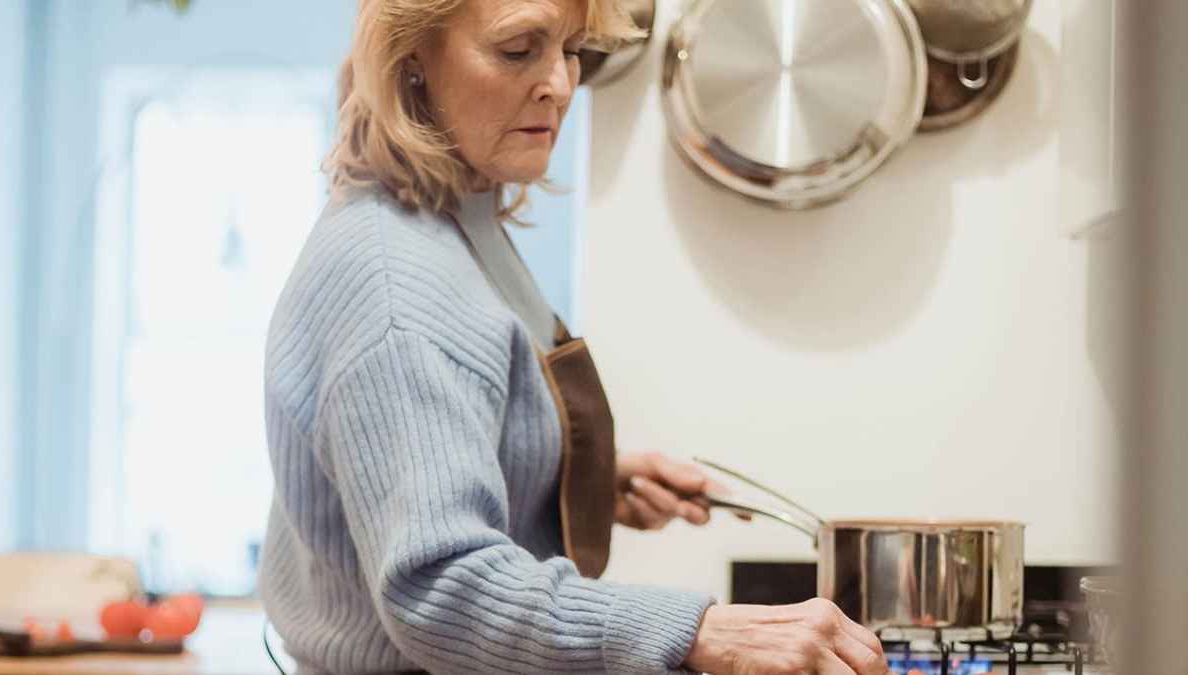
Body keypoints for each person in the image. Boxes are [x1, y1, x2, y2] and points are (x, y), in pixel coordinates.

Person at [258, 0, 889, 673]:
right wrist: (706, 629)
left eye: (570, 49)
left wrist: (573, 476)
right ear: (410, 60)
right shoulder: (396, 283)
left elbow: (410, 459)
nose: (559, 84)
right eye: (517, 49)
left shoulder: (451, 221)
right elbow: (440, 587)